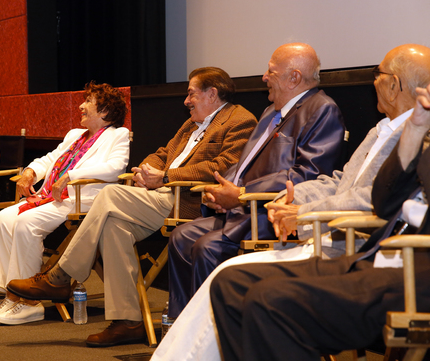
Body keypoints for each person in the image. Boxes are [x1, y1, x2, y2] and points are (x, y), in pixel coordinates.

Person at [151, 43, 430, 361]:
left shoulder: (396, 129)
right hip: (306, 224)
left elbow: (369, 199)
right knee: (216, 267)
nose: (373, 81)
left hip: (348, 240)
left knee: (228, 273)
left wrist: (294, 209)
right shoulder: (381, 128)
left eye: (376, 74)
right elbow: (339, 181)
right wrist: (288, 199)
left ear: (394, 84)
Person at [7, 66, 258, 346]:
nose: (186, 101)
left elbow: (223, 166)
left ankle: (59, 276)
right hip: (160, 196)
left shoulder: (240, 121)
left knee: (110, 195)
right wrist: (146, 169)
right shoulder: (191, 123)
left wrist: (164, 177)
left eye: (191, 93)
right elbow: (164, 153)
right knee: (114, 227)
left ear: (212, 94)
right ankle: (128, 322)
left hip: (187, 201)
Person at [209, 81, 430, 361]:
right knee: (230, 283)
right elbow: (384, 202)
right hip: (375, 257)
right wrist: (415, 129)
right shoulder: (412, 134)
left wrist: (301, 212)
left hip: (414, 273)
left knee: (270, 300)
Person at [166, 43, 345, 319]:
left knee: (206, 246)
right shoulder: (270, 113)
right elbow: (242, 165)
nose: (263, 77)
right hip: (241, 211)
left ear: (293, 78)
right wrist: (220, 188)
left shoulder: (321, 110)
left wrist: (241, 193)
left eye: (271, 71)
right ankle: (182, 327)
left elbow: (308, 174)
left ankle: (214, 337)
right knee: (180, 237)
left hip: (269, 214)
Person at [0, 82, 130, 325]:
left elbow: (115, 169)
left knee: (26, 222)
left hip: (81, 201)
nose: (81, 106)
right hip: (53, 197)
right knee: (4, 218)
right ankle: (12, 294)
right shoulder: (74, 135)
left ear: (104, 111)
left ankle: (30, 301)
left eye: (88, 102)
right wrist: (30, 172)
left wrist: (70, 177)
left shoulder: (117, 135)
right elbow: (50, 159)